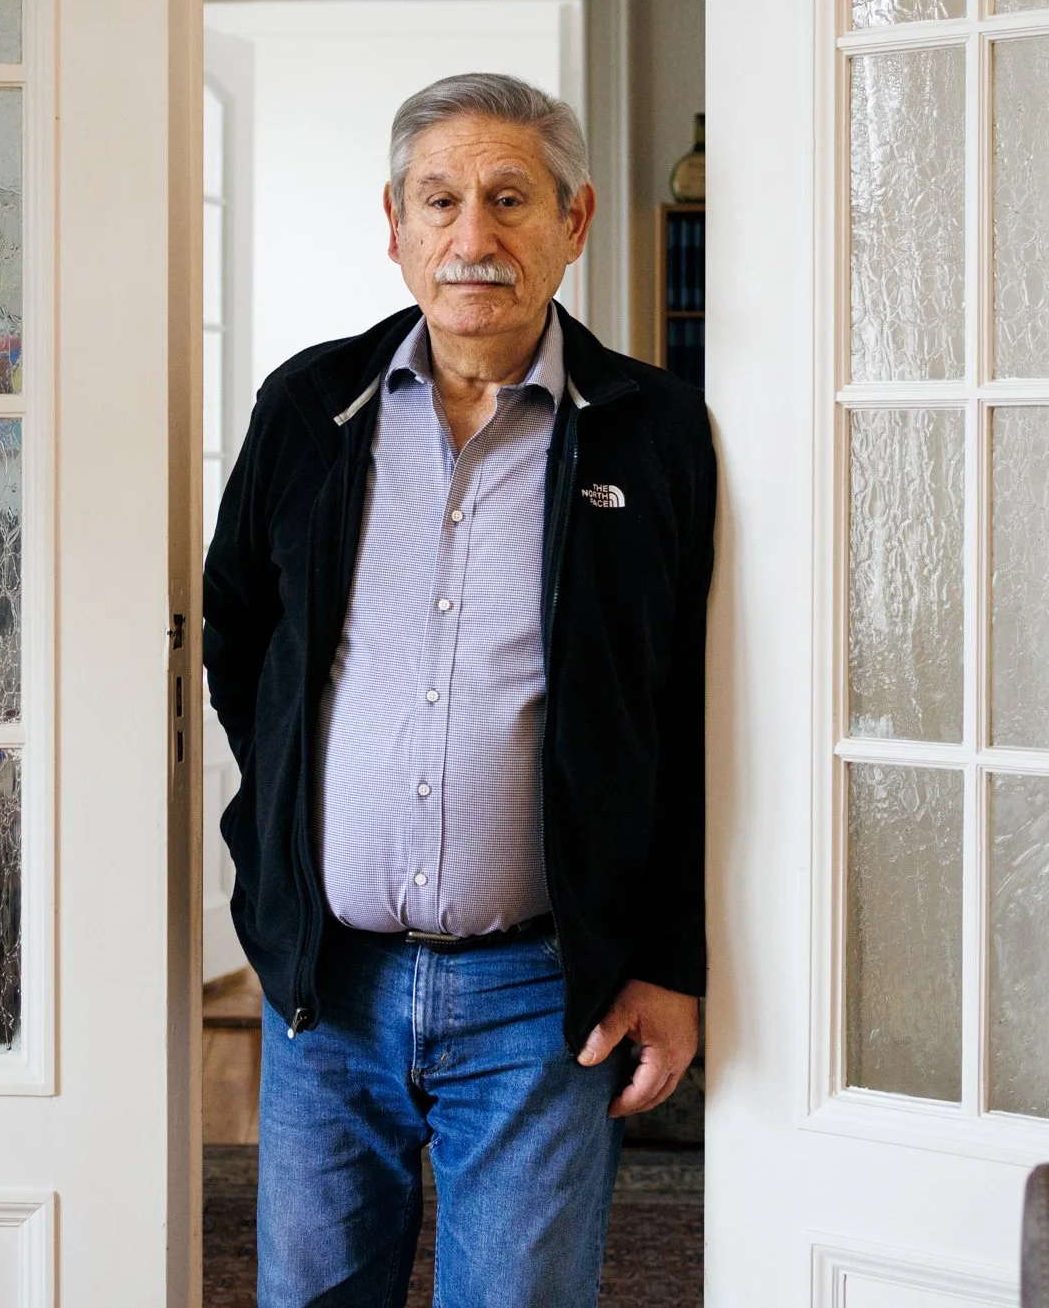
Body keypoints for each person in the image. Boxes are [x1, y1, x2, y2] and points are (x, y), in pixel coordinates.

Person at [203, 72, 716, 1307]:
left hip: (541, 995)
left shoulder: (654, 431)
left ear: (575, 221)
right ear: (396, 225)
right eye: (441, 200)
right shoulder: (305, 407)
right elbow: (240, 640)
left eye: (508, 198)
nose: (473, 237)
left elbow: (689, 717)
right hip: (329, 987)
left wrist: (667, 958)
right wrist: (289, 836)